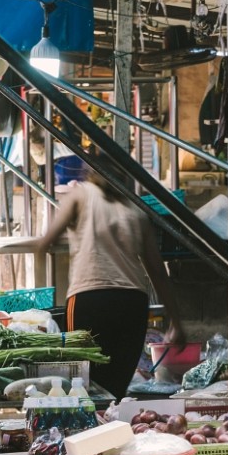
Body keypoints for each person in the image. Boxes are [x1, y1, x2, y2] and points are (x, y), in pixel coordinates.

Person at [37, 163, 185, 399]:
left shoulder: (81, 195)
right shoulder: (136, 209)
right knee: (115, 386)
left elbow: (47, 240)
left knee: (83, 381)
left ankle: (88, 432)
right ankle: (112, 429)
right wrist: (177, 322)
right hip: (132, 302)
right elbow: (157, 271)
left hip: (90, 297)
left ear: (92, 174)